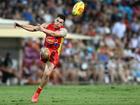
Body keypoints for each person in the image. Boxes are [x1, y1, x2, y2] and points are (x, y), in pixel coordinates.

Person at [15, 14, 67, 103]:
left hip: (55, 54)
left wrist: (42, 29)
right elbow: (34, 28)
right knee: (45, 52)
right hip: (46, 50)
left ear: (62, 24)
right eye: (57, 20)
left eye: (61, 22)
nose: (58, 23)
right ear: (55, 20)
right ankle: (43, 55)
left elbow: (54, 33)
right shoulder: (47, 25)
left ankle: (37, 93)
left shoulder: (63, 30)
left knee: (47, 74)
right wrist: (21, 26)